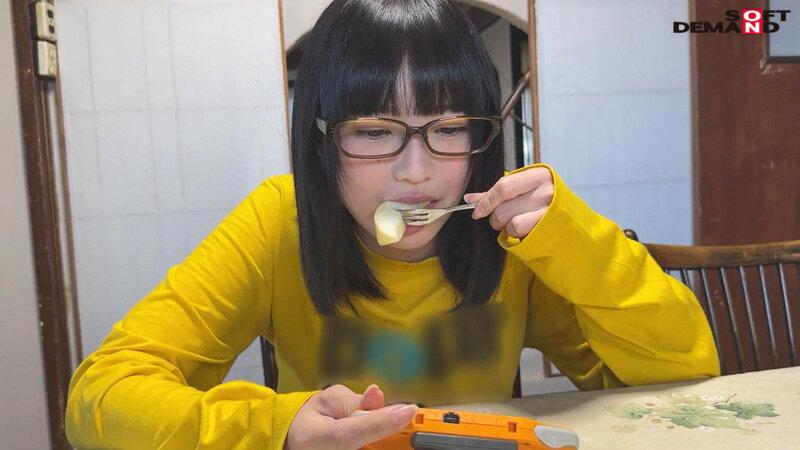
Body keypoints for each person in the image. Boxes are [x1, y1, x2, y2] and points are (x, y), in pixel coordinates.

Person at [65, 0, 720, 448]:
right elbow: (101, 396)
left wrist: (581, 245)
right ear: (321, 140)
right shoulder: (278, 221)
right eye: (375, 132)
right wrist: (277, 427)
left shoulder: (516, 237)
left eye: (449, 128)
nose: (417, 172)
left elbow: (682, 382)